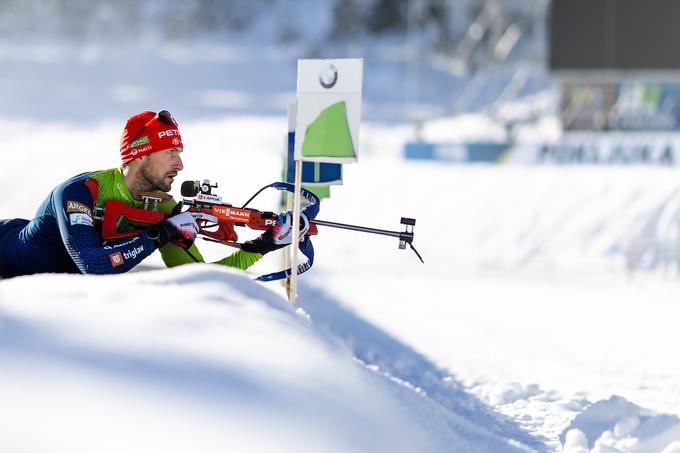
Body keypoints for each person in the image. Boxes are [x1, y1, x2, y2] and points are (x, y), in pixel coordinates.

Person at [0, 109, 304, 278]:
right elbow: (94, 266)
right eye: (170, 152)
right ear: (140, 155)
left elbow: (199, 278)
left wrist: (261, 245)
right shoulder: (81, 191)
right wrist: (160, 234)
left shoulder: (164, 209)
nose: (180, 163)